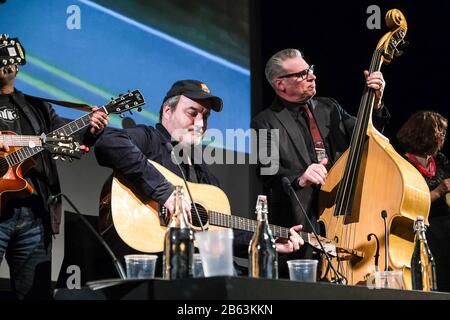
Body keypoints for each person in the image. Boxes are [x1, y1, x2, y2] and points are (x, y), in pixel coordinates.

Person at [94, 79, 304, 277]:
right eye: (192, 113)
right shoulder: (149, 138)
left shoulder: (204, 176)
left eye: (205, 116)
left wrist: (267, 241)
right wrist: (165, 192)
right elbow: (109, 143)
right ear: (168, 111)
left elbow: (220, 235)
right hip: (151, 271)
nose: (200, 123)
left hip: (190, 277)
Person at [252, 49, 390, 267]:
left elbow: (368, 136)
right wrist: (301, 178)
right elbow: (266, 173)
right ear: (280, 85)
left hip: (344, 214)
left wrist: (375, 103)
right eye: (302, 74)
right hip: (305, 223)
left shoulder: (330, 107)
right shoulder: (264, 122)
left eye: (311, 70)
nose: (312, 76)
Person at [0, 43, 109, 299]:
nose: (8, 65)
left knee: (35, 294)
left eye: (13, 61)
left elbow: (69, 147)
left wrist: (91, 130)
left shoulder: (38, 108)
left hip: (35, 215)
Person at [396, 111, 450, 292]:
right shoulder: (405, 164)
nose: (443, 137)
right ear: (426, 134)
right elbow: (412, 203)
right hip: (423, 228)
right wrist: (439, 190)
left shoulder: (440, 161)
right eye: (440, 132)